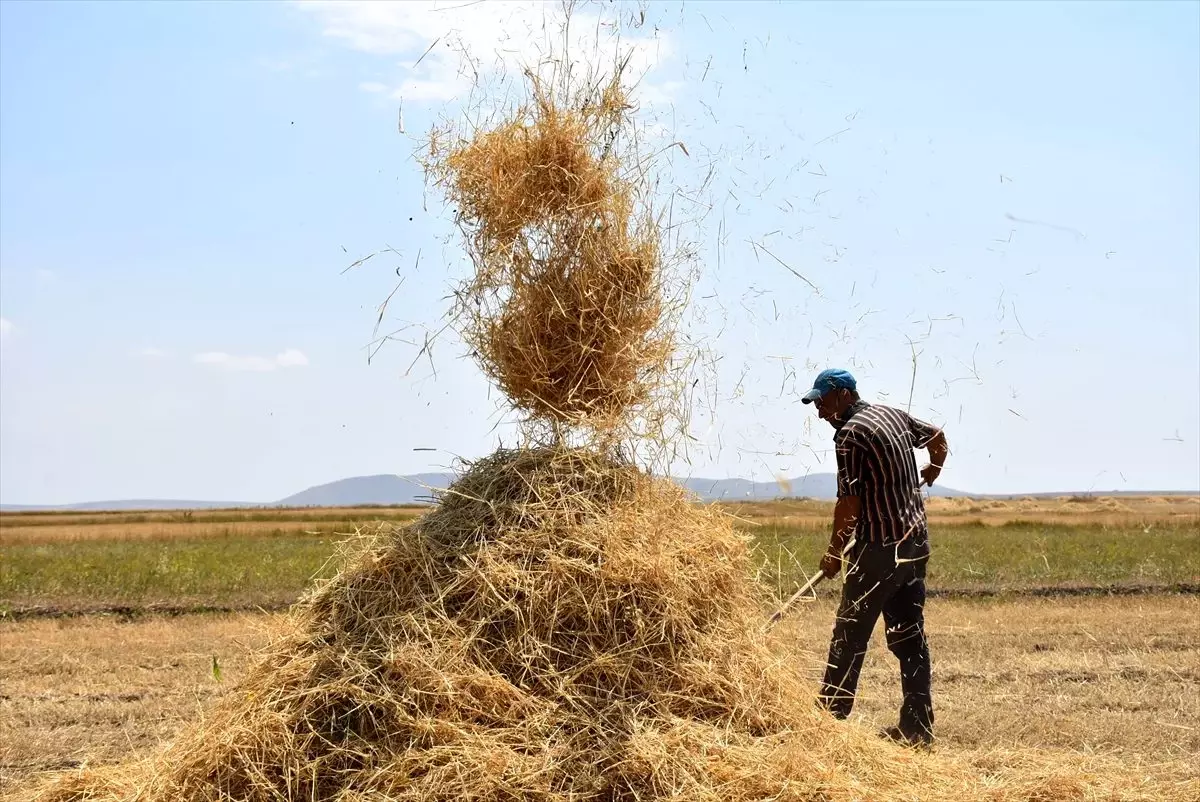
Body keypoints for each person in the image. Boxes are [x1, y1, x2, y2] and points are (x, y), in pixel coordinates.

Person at [800, 368, 949, 747]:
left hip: (879, 551)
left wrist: (833, 552)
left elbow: (849, 503)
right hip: (915, 545)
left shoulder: (849, 436)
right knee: (909, 635)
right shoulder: (892, 414)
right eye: (816, 404)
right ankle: (918, 728)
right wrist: (935, 466)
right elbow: (937, 436)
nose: (819, 412)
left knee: (849, 635)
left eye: (823, 401)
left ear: (845, 395)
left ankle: (827, 726)